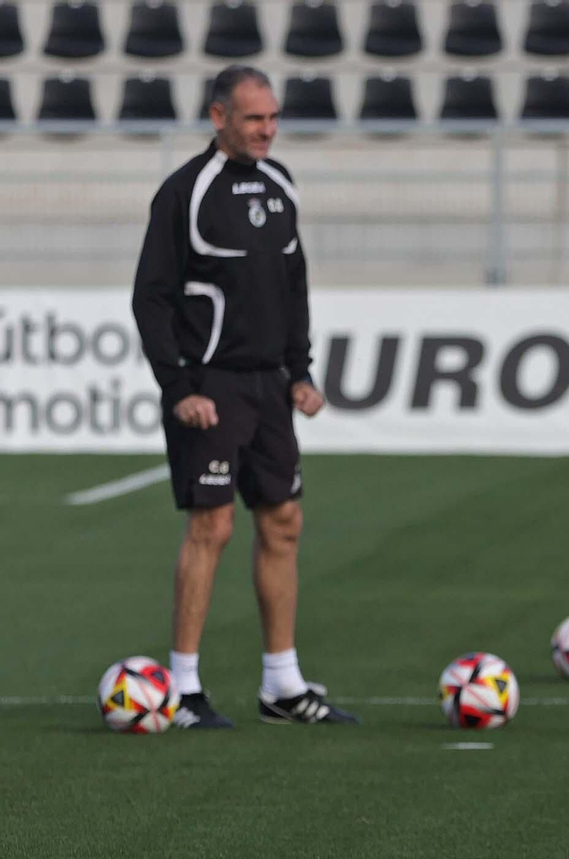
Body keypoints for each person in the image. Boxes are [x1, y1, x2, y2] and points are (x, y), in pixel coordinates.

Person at [131, 65, 356, 728]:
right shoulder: (185, 191)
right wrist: (179, 387)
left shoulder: (281, 183)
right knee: (213, 526)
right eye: (255, 118)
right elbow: (151, 299)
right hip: (211, 386)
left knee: (283, 521)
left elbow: (293, 286)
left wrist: (300, 372)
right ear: (218, 116)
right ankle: (182, 689)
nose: (267, 129)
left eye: (273, 117)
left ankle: (282, 686)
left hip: (269, 386)